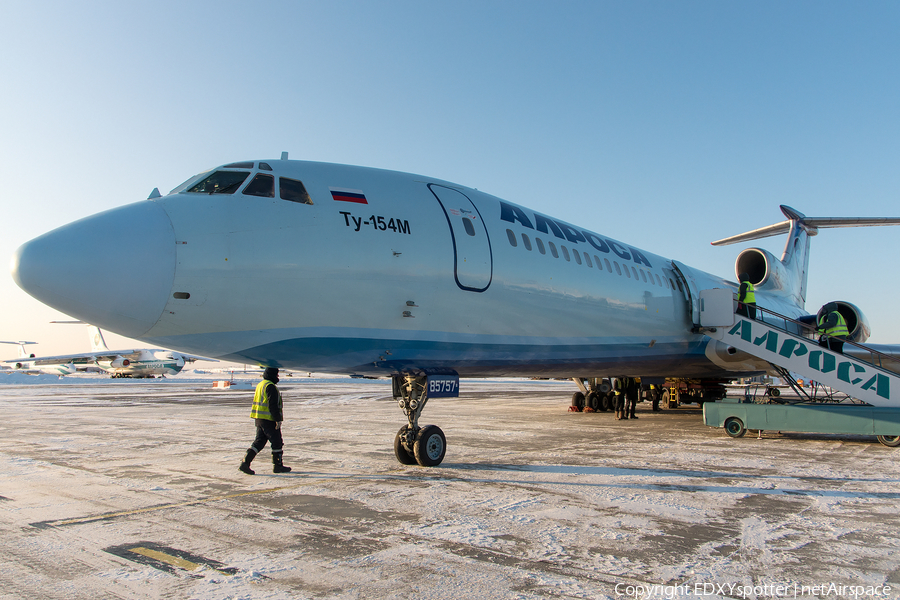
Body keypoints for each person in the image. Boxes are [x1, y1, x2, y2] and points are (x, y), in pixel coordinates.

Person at [239, 367, 292, 474]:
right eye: (276, 375)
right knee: (277, 442)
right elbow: (272, 405)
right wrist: (277, 419)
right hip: (269, 419)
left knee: (259, 442)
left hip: (259, 418)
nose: (277, 377)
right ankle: (278, 466)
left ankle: (245, 463)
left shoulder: (261, 384)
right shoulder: (270, 386)